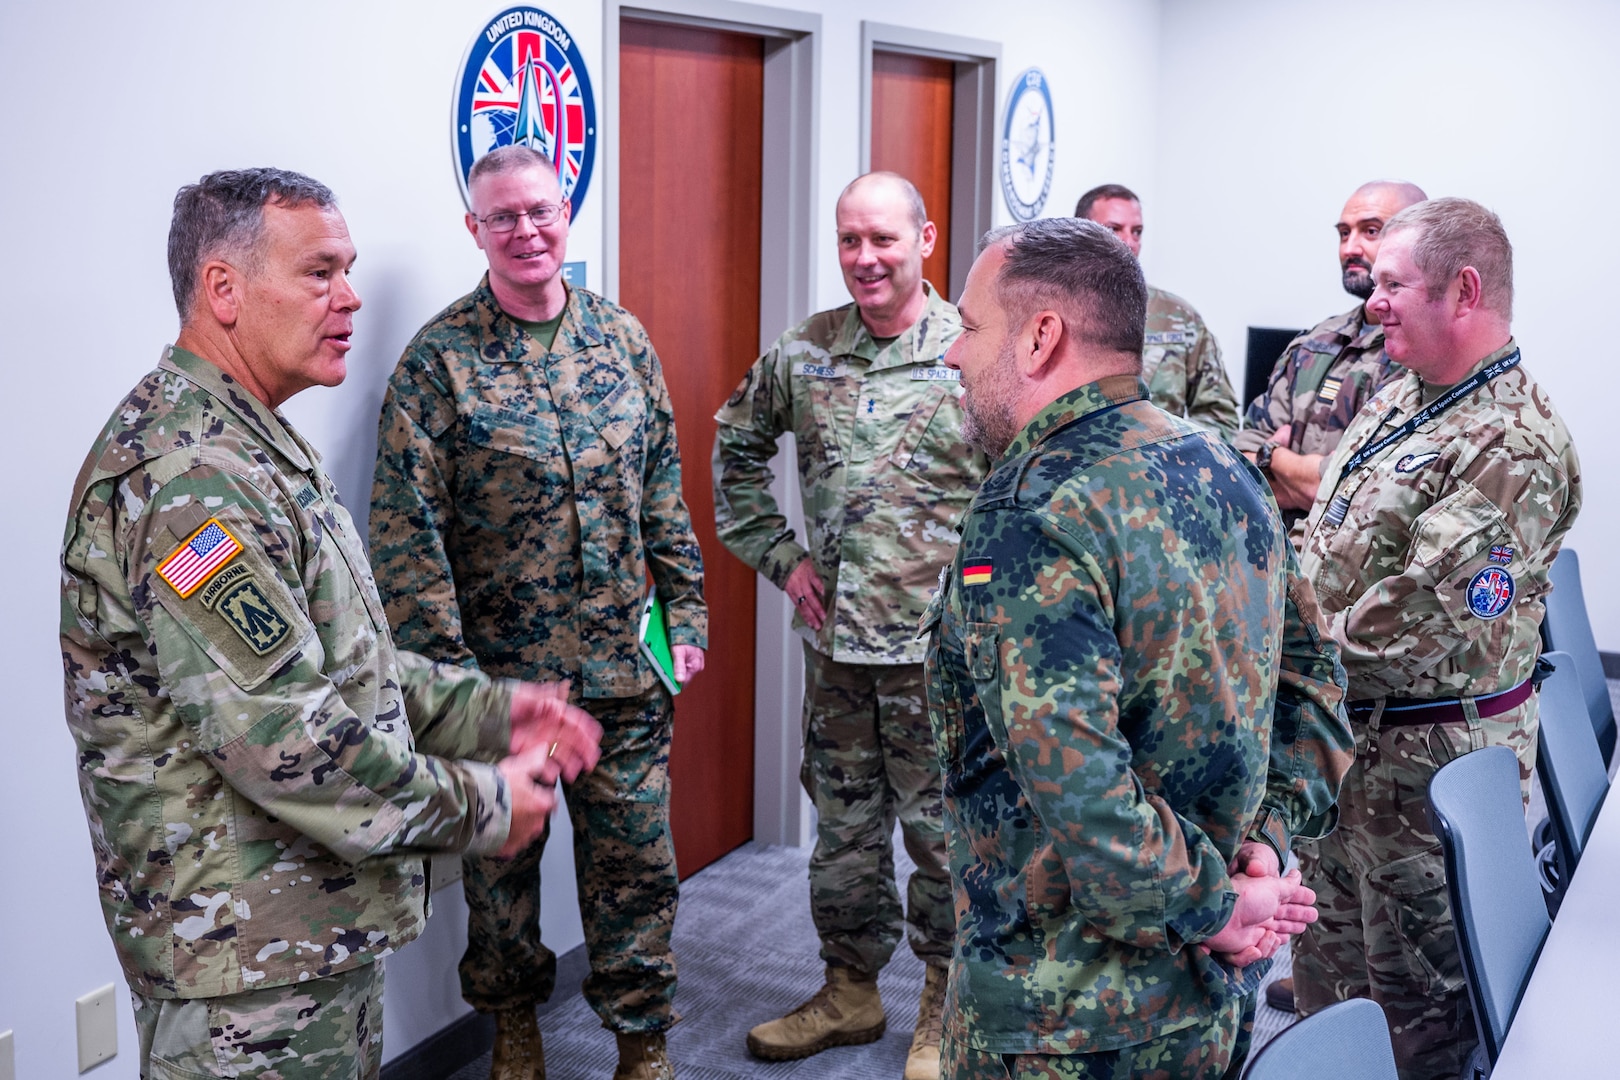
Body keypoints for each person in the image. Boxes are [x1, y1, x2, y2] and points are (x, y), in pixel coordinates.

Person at [58, 168, 603, 1080]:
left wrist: (490, 710)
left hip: (301, 941)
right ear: (223, 290)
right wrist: (483, 803)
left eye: (347, 270)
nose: (349, 296)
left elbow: (348, 667)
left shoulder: (254, 443)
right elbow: (289, 739)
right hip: (242, 976)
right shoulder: (192, 481)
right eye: (319, 273)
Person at [923, 216, 1353, 1078]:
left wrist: (1215, 905)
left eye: (970, 327)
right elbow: (1313, 689)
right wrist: (1262, 848)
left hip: (1066, 1016)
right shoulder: (1224, 465)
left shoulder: (1032, 511)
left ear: (1043, 335)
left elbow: (1077, 781)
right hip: (1210, 994)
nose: (952, 356)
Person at [369, 145, 707, 1080]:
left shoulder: (623, 340)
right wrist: (450, 687)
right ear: (473, 228)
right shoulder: (439, 364)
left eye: (542, 211)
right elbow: (408, 540)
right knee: (501, 876)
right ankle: (513, 1029)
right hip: (506, 687)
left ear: (568, 213)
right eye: (503, 216)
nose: (527, 231)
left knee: (637, 867)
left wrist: (689, 616)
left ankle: (643, 1042)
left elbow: (662, 494)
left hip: (626, 676)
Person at [1291, 198, 1580, 1080]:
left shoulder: (1515, 443)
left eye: (1391, 284)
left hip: (1425, 771)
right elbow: (1325, 543)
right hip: (1349, 752)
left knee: (1422, 1023)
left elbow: (1411, 621)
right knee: (1328, 1003)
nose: (1371, 302)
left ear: (1463, 290)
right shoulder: (1400, 398)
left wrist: (1272, 647)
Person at [713, 171, 989, 1079]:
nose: (864, 260)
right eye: (848, 241)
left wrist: (981, 597)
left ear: (926, 239)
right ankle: (850, 989)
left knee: (944, 836)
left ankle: (946, 1006)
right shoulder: (804, 353)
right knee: (843, 832)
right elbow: (736, 454)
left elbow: (1030, 489)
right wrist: (783, 560)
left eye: (883, 240)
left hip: (938, 659)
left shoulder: (971, 354)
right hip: (836, 655)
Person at [1234, 181, 1427, 541]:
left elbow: (1374, 497)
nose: (1350, 248)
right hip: (1270, 561)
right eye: (1343, 233)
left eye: (1370, 231)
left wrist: (1272, 459)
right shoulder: (1313, 343)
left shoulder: (1425, 358)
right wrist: (1301, 473)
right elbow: (1238, 464)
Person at [1075, 183, 1240, 438]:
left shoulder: (1178, 318)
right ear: (1080, 234)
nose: (1129, 242)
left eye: (1137, 231)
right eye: (1113, 229)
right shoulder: (1049, 311)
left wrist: (1177, 455)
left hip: (1156, 472)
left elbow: (1221, 418)